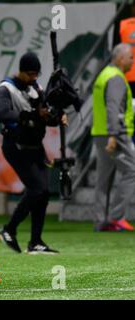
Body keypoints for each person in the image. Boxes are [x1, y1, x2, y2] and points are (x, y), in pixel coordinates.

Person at [0, 52, 66, 255]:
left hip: (35, 146)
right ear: (22, 71)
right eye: (30, 74)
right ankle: (8, 229)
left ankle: (35, 241)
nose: (34, 77)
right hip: (15, 146)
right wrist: (34, 114)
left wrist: (57, 116)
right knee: (37, 188)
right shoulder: (5, 88)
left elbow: (46, 115)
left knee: (43, 195)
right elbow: (3, 113)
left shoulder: (36, 88)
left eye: (36, 74)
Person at [91, 43, 135, 232]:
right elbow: (113, 108)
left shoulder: (103, 75)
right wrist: (114, 135)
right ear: (119, 58)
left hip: (101, 133)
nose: (133, 61)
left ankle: (101, 221)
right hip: (115, 134)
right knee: (132, 171)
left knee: (104, 179)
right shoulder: (116, 78)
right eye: (130, 57)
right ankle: (116, 217)